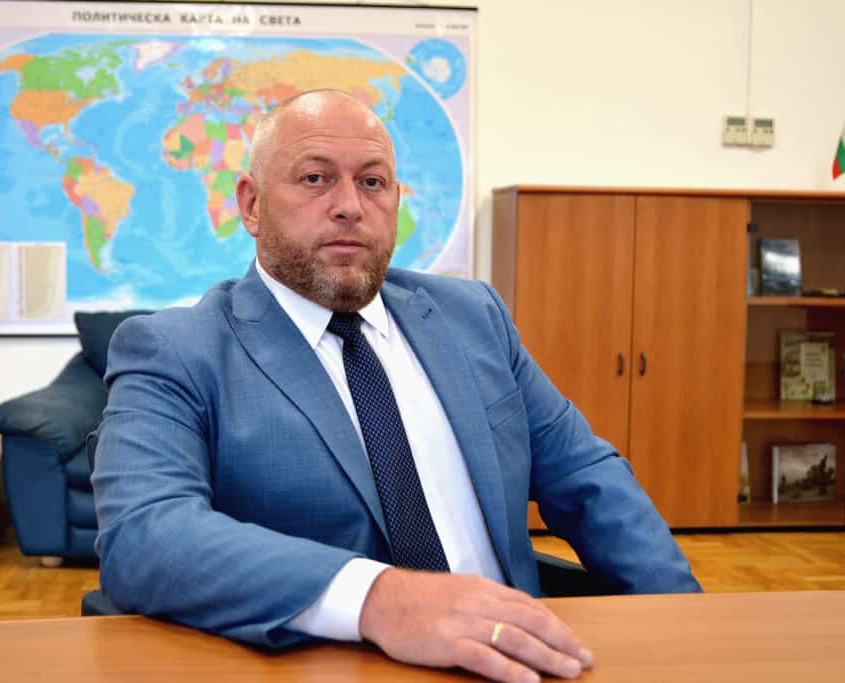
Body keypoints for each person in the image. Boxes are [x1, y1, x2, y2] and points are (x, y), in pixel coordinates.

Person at [91, 89, 700, 683]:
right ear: (251, 205)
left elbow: (587, 478)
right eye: (315, 179)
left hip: (519, 659)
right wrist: (380, 599)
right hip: (330, 666)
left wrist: (690, 621)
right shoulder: (177, 350)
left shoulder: (474, 317)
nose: (350, 206)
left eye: (373, 182)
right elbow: (145, 536)